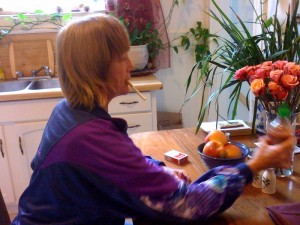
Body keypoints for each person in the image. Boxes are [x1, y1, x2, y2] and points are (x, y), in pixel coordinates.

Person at [11, 14, 295, 225]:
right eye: (123, 57)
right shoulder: (89, 137)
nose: (131, 65)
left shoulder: (69, 111)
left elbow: (115, 166)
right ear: (98, 68)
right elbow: (191, 205)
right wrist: (256, 163)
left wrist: (157, 168)